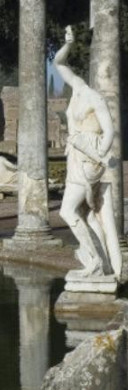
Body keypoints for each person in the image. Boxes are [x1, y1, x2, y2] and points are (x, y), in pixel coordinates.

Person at [54, 25, 121, 277]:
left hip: (89, 158)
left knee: (67, 210)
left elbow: (110, 131)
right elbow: (58, 63)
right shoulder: (78, 88)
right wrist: (68, 44)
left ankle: (94, 260)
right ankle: (100, 260)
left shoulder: (96, 99)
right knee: (84, 212)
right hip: (75, 155)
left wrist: (100, 157)